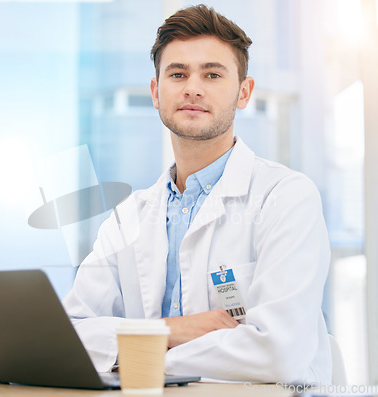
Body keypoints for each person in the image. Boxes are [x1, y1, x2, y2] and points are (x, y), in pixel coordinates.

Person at [62, 4, 331, 384]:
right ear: (156, 93)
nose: (192, 87)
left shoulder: (286, 197)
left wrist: (136, 354)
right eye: (177, 73)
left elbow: (277, 354)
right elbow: (70, 334)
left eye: (212, 74)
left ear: (243, 92)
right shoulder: (129, 217)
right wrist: (169, 331)